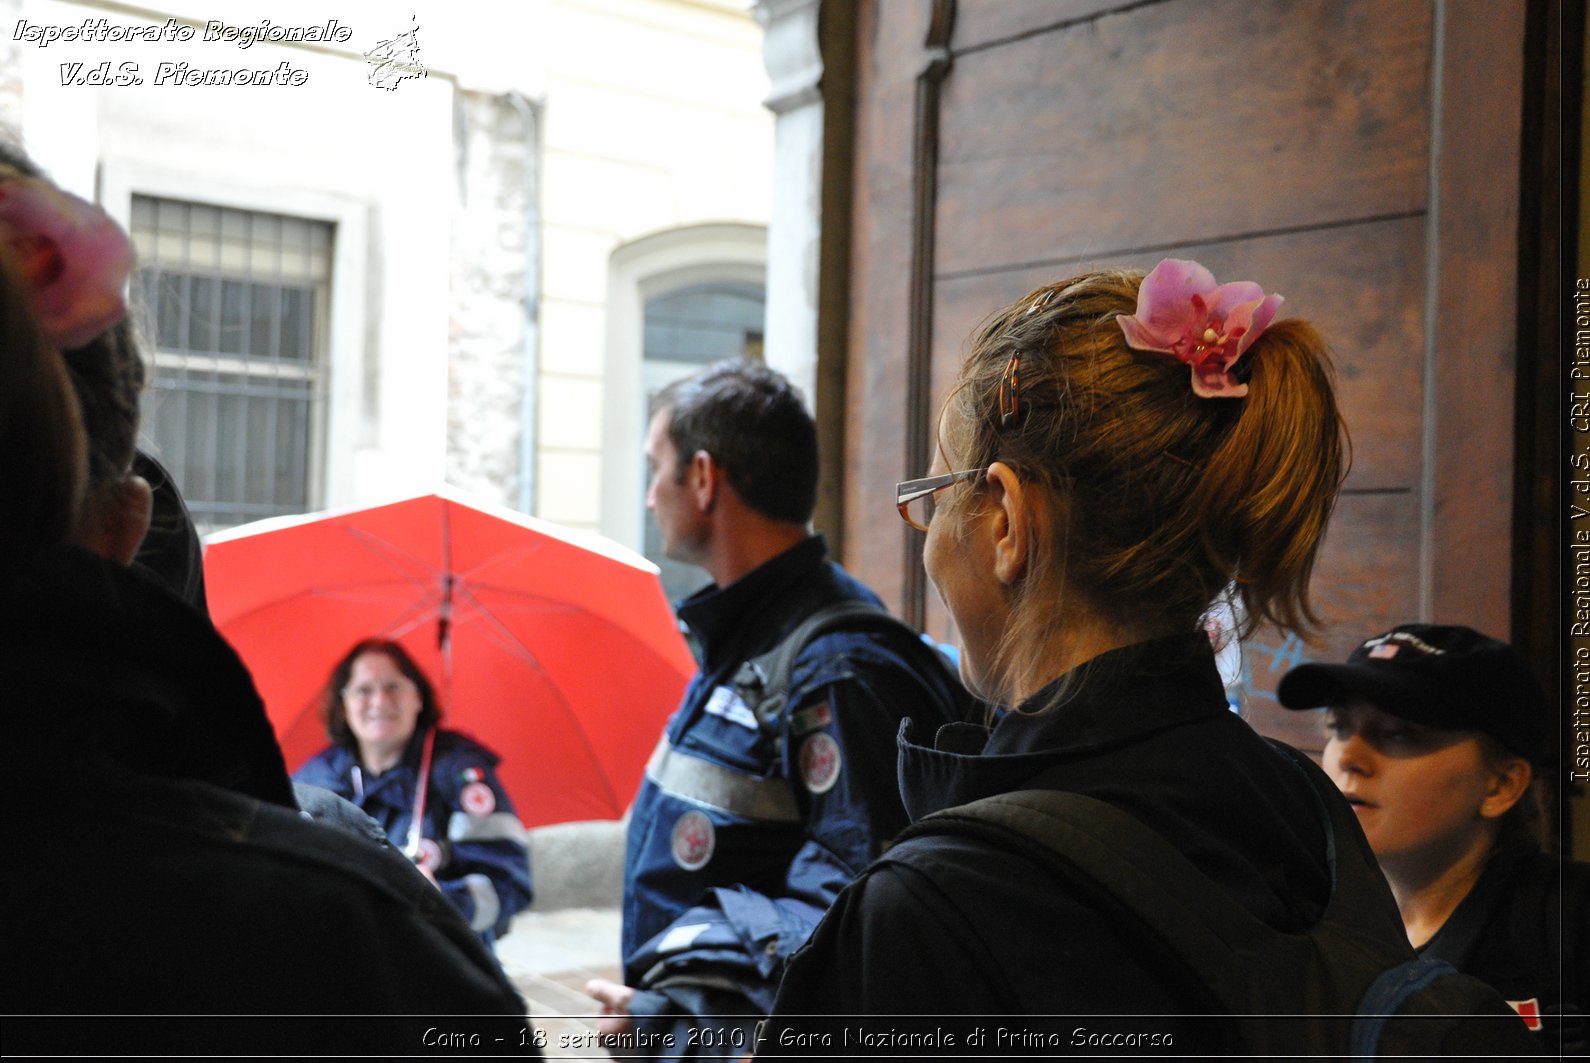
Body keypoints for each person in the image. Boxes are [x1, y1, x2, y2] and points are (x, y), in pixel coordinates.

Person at [756, 261, 1531, 1053]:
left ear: (1005, 525)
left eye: (935, 496)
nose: (928, 545)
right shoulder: (1304, 809)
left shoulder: (927, 908)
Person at [0, 147, 534, 1048]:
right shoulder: (343, 929)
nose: (374, 704)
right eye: (361, 690)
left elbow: (503, 874)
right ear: (129, 525)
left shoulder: (449, 779)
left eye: (390, 690)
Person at [584, 360, 972, 1057]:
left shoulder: (839, 666)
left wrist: (672, 1027)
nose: (647, 497)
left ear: (704, 478)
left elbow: (852, 932)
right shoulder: (750, 638)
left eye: (656, 468)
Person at [1279, 623, 1590, 1057]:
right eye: (1338, 727)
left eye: (1397, 733)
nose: (1348, 756)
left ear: (1500, 784)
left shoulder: (1577, 923)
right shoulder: (1297, 917)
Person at [295, 638, 535, 943]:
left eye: (393, 687)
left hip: (446, 959)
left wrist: (443, 901)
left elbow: (511, 884)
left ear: (418, 698)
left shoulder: (460, 772)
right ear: (343, 704)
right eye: (363, 690)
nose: (380, 701)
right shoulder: (315, 778)